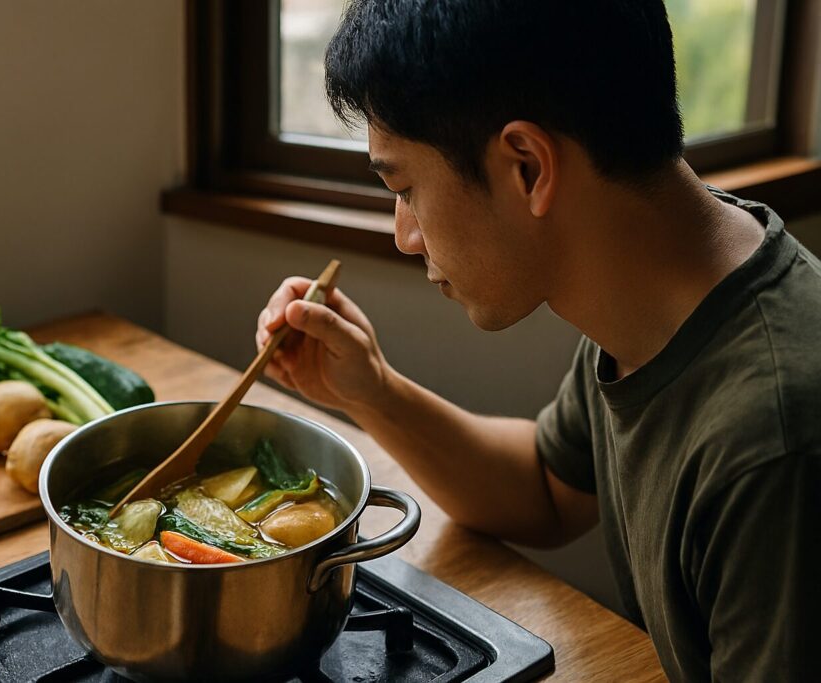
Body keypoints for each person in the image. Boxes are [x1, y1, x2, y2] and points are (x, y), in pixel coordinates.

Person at [254, 1, 819, 681]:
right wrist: (370, 389)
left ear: (526, 165)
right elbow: (547, 489)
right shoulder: (660, 279)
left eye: (404, 186)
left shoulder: (776, 442)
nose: (404, 234)